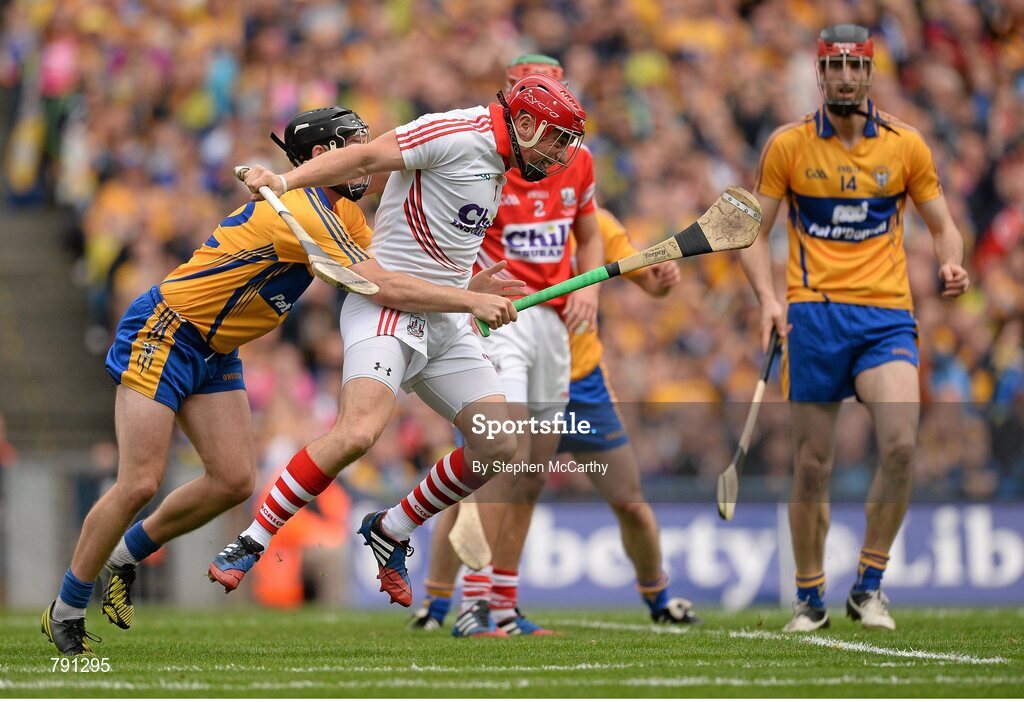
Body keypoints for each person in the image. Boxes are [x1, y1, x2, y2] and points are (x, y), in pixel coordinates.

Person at [41, 106, 520, 656]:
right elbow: (382, 286)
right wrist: (469, 300)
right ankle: (69, 605)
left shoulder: (347, 217)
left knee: (234, 481)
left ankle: (125, 556)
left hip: (218, 349)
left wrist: (465, 285)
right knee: (140, 482)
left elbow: (402, 278)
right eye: (354, 144)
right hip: (165, 331)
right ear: (323, 157)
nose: (368, 154)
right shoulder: (303, 211)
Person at [209, 75, 588, 615]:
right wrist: (286, 180)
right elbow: (364, 158)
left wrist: (469, 291)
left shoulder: (500, 165)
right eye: (555, 139)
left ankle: (391, 528)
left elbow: (442, 248)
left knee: (499, 444)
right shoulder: (457, 132)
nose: (559, 155)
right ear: (524, 123)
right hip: (385, 305)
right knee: (358, 432)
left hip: (443, 317)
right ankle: (252, 539)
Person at [738, 25, 969, 633]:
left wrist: (951, 259)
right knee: (812, 464)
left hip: (885, 316)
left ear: (870, 74)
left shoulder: (905, 145)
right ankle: (810, 597)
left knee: (900, 444)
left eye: (855, 65)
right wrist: (767, 298)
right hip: (812, 316)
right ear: (820, 73)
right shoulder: (787, 145)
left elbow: (944, 224)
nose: (844, 75)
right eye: (833, 65)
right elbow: (750, 236)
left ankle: (869, 586)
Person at [413, 207, 701, 635]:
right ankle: (437, 606)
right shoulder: (499, 212)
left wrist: (660, 283)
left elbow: (645, 278)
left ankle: (657, 597)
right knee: (479, 489)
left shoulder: (594, 224)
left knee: (629, 501)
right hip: (504, 369)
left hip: (581, 379)